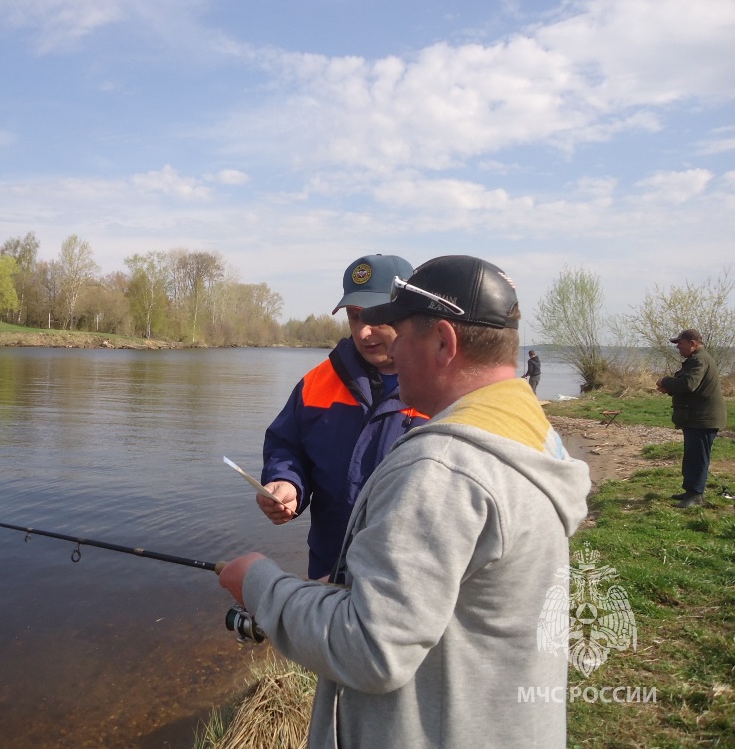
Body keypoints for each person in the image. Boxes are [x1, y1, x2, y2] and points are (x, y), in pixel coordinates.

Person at [222, 255, 591, 749]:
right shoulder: (529, 434)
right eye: (358, 318)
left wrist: (260, 585)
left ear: (443, 341)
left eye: (394, 326)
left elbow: (371, 649)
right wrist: (287, 485)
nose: (376, 337)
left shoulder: (443, 469)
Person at [257, 254, 429, 580]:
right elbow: (287, 445)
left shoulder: (443, 387)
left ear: (410, 312)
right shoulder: (316, 383)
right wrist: (286, 482)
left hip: (408, 583)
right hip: (328, 570)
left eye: (376, 316)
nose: (363, 332)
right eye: (354, 316)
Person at [655, 328, 727, 508]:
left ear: (692, 343)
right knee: (692, 456)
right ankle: (690, 491)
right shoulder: (695, 360)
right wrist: (670, 388)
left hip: (703, 419)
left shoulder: (699, 360)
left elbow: (689, 384)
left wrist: (665, 381)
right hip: (697, 418)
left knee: (698, 457)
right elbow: (690, 385)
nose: (678, 347)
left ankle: (696, 495)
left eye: (680, 343)